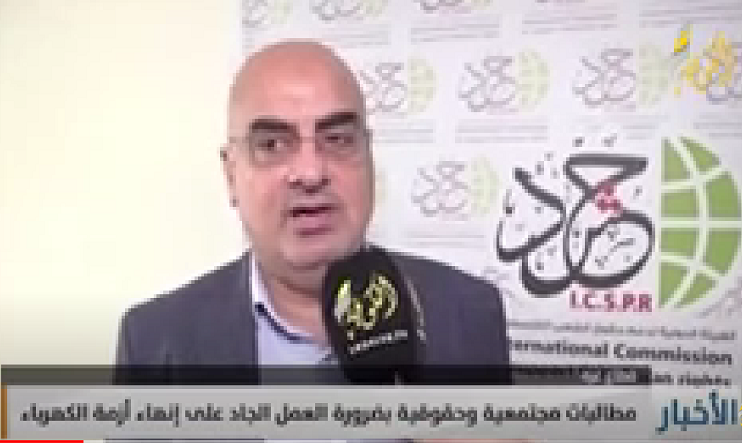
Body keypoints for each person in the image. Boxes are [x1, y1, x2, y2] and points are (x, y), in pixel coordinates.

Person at [115, 40, 508, 375]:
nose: (310, 172)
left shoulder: (469, 313)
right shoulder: (155, 341)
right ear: (231, 174)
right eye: (272, 145)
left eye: (337, 139)